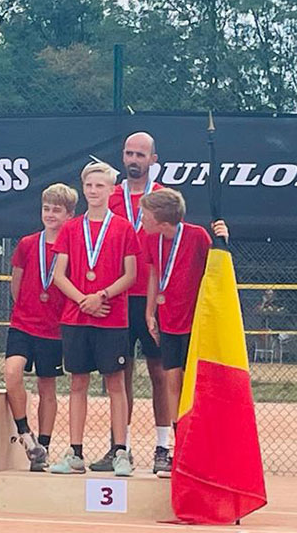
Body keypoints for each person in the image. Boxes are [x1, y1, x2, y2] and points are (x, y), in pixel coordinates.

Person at [49, 162, 140, 477]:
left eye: (100, 186)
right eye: (89, 185)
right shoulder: (72, 228)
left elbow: (131, 275)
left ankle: (120, 451)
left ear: (112, 190)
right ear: (83, 187)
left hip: (112, 317)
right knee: (78, 382)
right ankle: (75, 453)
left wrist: (100, 296)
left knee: (115, 383)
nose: (93, 191)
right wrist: (82, 301)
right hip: (76, 317)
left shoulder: (124, 227)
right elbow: (59, 275)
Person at [139, 189, 229, 476]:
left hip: (195, 322)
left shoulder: (197, 236)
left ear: (161, 219)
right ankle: (181, 450)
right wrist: (150, 311)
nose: (142, 219)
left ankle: (205, 448)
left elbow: (217, 267)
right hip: (168, 321)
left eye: (145, 215)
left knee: (196, 385)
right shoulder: (152, 239)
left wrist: (223, 239)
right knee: (171, 381)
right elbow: (154, 274)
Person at [93, 131, 168, 474]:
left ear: (153, 159)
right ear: (122, 158)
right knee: (119, 377)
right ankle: (118, 448)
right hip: (118, 298)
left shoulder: (163, 199)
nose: (134, 159)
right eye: (129, 154)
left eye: (141, 154)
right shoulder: (110, 197)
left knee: (159, 374)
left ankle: (162, 448)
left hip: (152, 300)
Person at [5, 183, 78, 471]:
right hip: (23, 324)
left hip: (54, 329)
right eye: (46, 208)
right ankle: (25, 433)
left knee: (47, 387)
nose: (50, 214)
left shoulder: (72, 247)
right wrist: (26, 307)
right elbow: (16, 284)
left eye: (57, 210)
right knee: (12, 373)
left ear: (70, 215)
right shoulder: (27, 244)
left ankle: (43, 448)